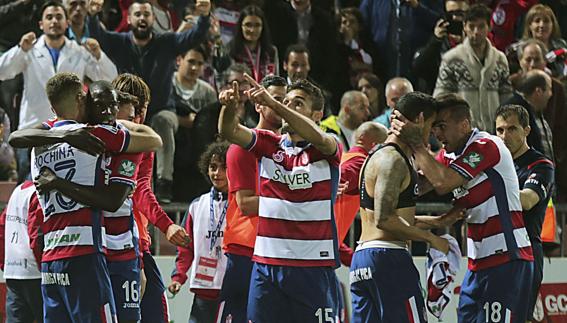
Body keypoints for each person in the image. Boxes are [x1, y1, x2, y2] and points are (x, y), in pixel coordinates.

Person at [391, 93, 535, 322]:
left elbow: (442, 182)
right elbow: (417, 187)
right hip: (477, 264)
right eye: (434, 126)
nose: (437, 133)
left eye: (442, 126)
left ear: (465, 124)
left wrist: (417, 143)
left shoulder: (486, 145)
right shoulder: (448, 156)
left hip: (507, 259)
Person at [219, 75, 342, 322]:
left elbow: (320, 138)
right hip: (266, 265)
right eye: (285, 101)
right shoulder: (269, 145)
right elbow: (229, 131)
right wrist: (230, 108)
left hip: (312, 268)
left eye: (297, 103)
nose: (287, 108)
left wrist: (275, 104)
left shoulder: (327, 147)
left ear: (317, 114)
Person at [350, 92, 456, 322]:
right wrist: (432, 239)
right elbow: (385, 219)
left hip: (363, 260)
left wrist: (437, 223)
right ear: (419, 119)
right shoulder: (393, 160)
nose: (432, 134)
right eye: (430, 125)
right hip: (388, 259)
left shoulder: (377, 155)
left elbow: (394, 219)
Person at [0, 0, 117, 180]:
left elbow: (110, 78)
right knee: (29, 189)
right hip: (33, 130)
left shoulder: (79, 51)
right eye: (49, 17)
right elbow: (2, 71)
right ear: (41, 24)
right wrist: (19, 50)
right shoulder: (29, 51)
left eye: (58, 17)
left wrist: (99, 55)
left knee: (66, 186)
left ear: (67, 22)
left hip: (70, 132)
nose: (54, 21)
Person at [113, 73, 190, 323]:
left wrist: (166, 226)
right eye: (133, 108)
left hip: (133, 242)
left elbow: (141, 191)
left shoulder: (143, 141)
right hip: (117, 244)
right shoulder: (100, 137)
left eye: (142, 108)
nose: (138, 116)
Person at [217, 75, 286, 323]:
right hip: (246, 251)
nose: (281, 105)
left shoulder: (289, 147)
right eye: (275, 99)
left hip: (277, 248)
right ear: (258, 104)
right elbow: (246, 204)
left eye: (285, 100)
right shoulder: (243, 146)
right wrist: (294, 199)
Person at [495, 104, 554, 323]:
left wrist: (488, 187)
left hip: (526, 254)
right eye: (500, 130)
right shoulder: (494, 164)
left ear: (526, 130)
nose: (504, 136)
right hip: (494, 252)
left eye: (511, 129)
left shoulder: (540, 165)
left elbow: (528, 200)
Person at [168, 141, 230, 323]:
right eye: (213, 167)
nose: (217, 173)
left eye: (224, 167)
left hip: (231, 289)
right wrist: (178, 277)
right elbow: (186, 247)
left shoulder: (241, 203)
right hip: (203, 289)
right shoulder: (197, 205)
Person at [433, 3, 512, 133]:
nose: (476, 32)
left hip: (494, 133)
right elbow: (441, 98)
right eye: (471, 26)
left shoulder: (500, 59)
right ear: (464, 27)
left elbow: (507, 100)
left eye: (481, 26)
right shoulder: (452, 58)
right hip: (462, 134)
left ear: (489, 27)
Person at [158, 45, 218, 203]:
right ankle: (163, 181)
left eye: (199, 64)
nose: (194, 67)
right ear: (179, 60)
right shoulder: (164, 82)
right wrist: (183, 120)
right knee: (164, 118)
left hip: (195, 149)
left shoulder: (208, 92)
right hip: (168, 141)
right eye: (191, 61)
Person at [334, 121, 387, 245]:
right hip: (320, 243)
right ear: (363, 138)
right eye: (382, 144)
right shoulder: (360, 163)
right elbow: (337, 178)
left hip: (322, 241)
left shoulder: (344, 157)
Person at [0, 181, 43, 323]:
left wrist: (4, 264)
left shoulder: (17, 191)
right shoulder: (38, 191)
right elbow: (36, 233)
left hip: (13, 269)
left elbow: (2, 228)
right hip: (34, 270)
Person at [413, 0, 469, 94]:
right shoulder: (434, 41)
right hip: (439, 99)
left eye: (459, 13)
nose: (454, 18)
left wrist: (468, 45)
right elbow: (418, 67)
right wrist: (436, 40)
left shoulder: (476, 40)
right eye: (450, 14)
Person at [502, 69, 554, 161]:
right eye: (549, 89)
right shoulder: (514, 112)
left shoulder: (535, 110)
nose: (551, 94)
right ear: (538, 91)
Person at [228, 5, 278, 83]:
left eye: (257, 25)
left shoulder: (271, 51)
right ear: (241, 26)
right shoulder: (231, 49)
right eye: (248, 25)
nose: (252, 30)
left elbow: (276, 81)